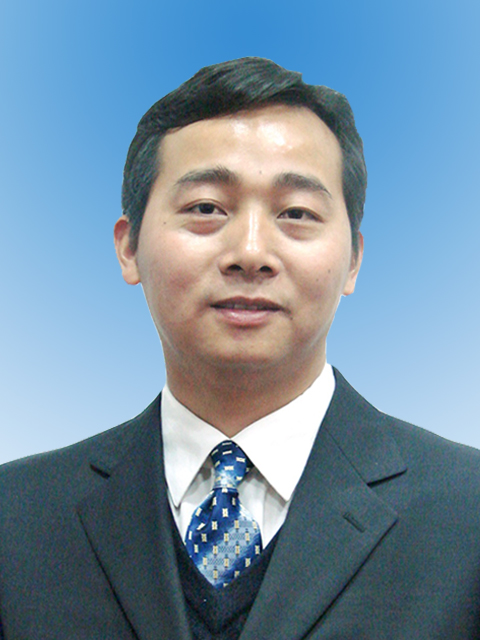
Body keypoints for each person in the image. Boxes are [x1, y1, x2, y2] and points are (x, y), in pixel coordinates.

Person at [1, 57, 480, 640]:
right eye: (206, 208)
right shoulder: (15, 517)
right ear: (129, 248)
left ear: (353, 259)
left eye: (296, 213)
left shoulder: (467, 512)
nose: (250, 252)